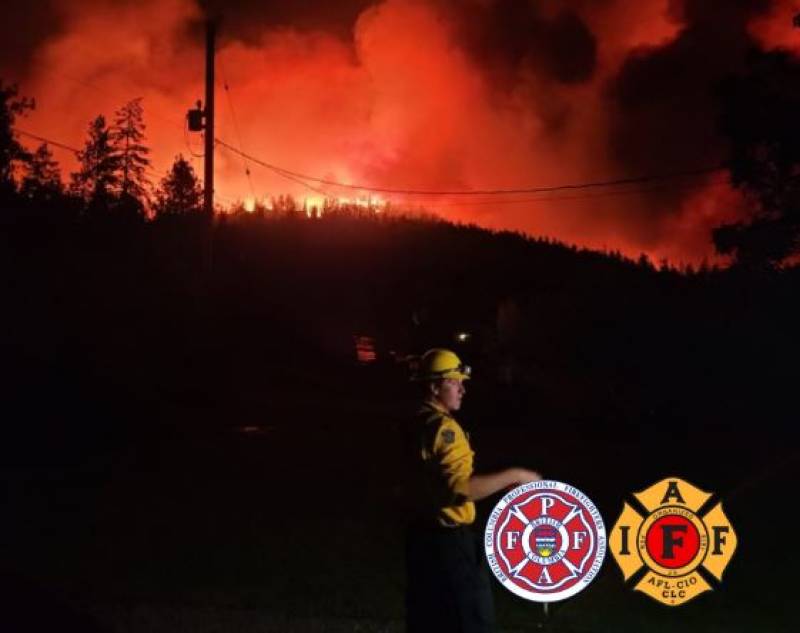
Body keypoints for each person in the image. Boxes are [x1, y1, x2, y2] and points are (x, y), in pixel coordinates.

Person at [404, 348, 541, 633]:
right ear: (433, 386)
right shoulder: (445, 430)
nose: (462, 389)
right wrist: (514, 476)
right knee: (472, 622)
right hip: (450, 546)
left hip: (419, 540)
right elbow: (459, 488)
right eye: (454, 382)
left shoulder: (414, 422)